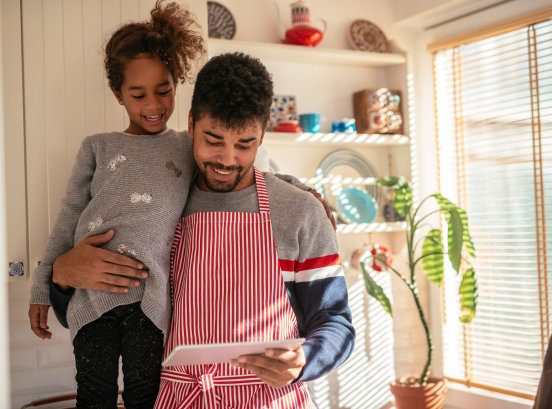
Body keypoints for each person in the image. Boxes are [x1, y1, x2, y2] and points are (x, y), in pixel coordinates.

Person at [26, 2, 326, 408]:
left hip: (189, 335)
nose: (226, 159)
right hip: (128, 337)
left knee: (139, 393)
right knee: (95, 391)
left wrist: (303, 191)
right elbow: (66, 224)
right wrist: (52, 279)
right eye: (138, 93)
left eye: (163, 90)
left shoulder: (199, 154)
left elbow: (258, 172)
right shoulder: (120, 153)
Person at [153, 52, 355, 409]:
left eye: (244, 144)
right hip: (185, 397)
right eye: (213, 140)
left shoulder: (301, 211)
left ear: (263, 135)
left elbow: (335, 321)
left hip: (272, 398)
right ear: (190, 124)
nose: (227, 160)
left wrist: (305, 360)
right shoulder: (162, 203)